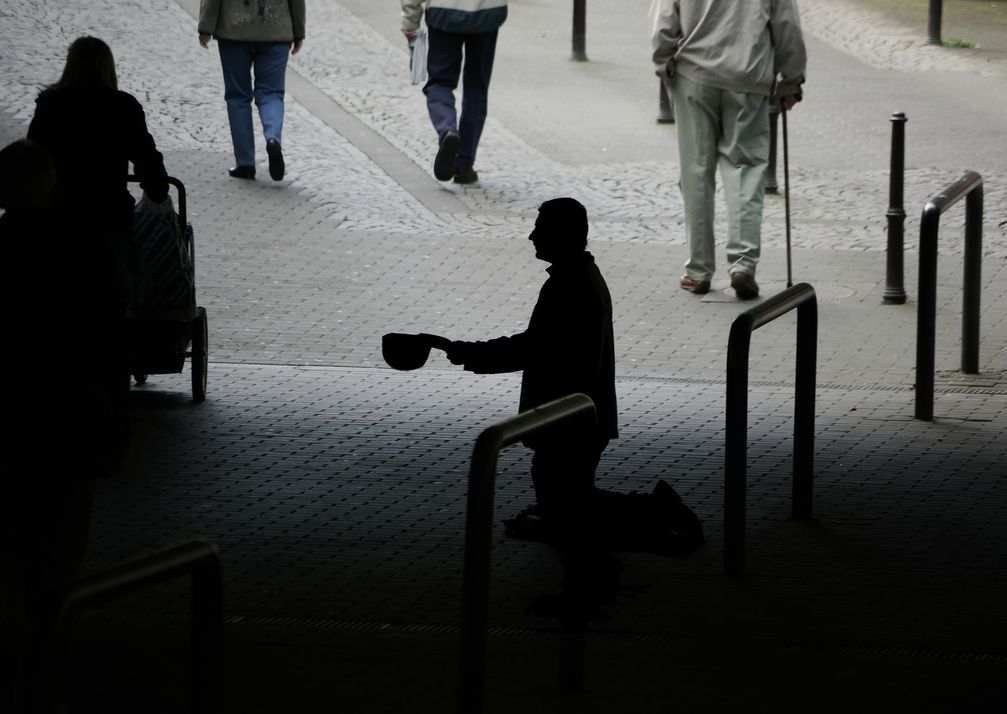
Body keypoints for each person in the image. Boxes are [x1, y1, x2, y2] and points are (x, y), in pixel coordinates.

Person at [421, 198, 703, 559]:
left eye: (541, 228)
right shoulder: (580, 277)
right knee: (567, 500)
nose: (532, 235)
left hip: (568, 418)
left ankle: (654, 511)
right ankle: (646, 513)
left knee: (568, 504)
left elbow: (533, 348)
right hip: (577, 415)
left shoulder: (570, 285)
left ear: (563, 234)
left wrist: (465, 351)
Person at [0, 138, 119, 714]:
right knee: (62, 535)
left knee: (13, 536)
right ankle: (50, 636)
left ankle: (18, 638)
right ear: (47, 185)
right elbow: (104, 335)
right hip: (66, 416)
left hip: (9, 418)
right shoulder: (78, 249)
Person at [27, 35, 171, 445]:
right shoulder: (122, 106)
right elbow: (145, 156)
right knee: (109, 300)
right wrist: (158, 192)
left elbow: (35, 154)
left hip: (59, 216)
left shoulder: (50, 104)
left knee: (56, 294)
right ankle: (108, 394)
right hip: (107, 216)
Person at [650, 0, 807, 299]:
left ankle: (698, 271)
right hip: (748, 78)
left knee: (695, 172)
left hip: (693, 75)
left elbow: (664, 21)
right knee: (745, 171)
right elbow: (788, 28)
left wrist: (664, 64)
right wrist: (791, 81)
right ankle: (742, 265)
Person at [400, 0, 507, 185]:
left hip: (444, 11)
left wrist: (411, 22)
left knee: (440, 82)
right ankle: (464, 165)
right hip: (487, 12)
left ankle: (447, 130)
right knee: (477, 87)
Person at [198, 0, 306, 181]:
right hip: (276, 29)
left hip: (234, 30)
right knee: (271, 93)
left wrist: (206, 26)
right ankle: (273, 139)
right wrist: (298, 31)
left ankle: (245, 163)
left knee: (238, 97)